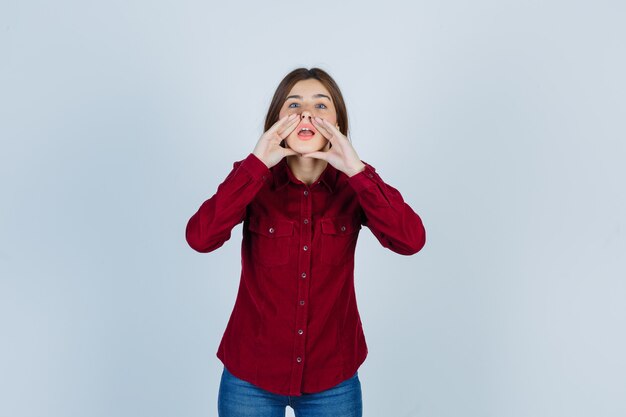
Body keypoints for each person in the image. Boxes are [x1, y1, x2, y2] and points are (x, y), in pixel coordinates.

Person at [185, 68, 426, 417]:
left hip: (333, 379)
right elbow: (200, 238)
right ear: (276, 122)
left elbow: (411, 240)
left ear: (339, 124)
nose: (307, 113)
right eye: (294, 104)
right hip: (249, 376)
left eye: (321, 105)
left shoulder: (355, 184)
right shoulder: (253, 180)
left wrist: (357, 171)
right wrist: (255, 165)